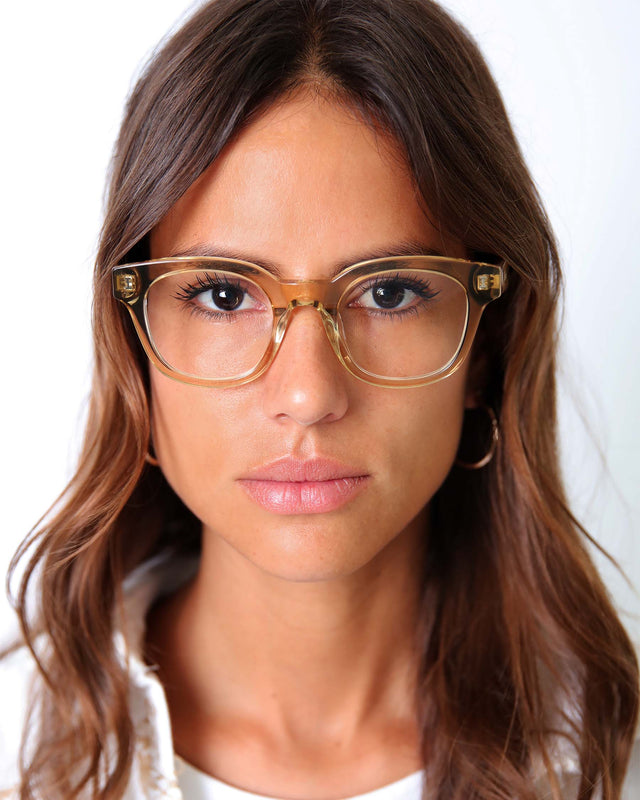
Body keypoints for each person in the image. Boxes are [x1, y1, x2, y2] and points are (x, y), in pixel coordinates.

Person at [1, 0, 638, 798]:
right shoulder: (13, 739)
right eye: (225, 295)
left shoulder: (614, 758)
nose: (307, 394)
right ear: (135, 351)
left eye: (392, 290)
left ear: (487, 343)